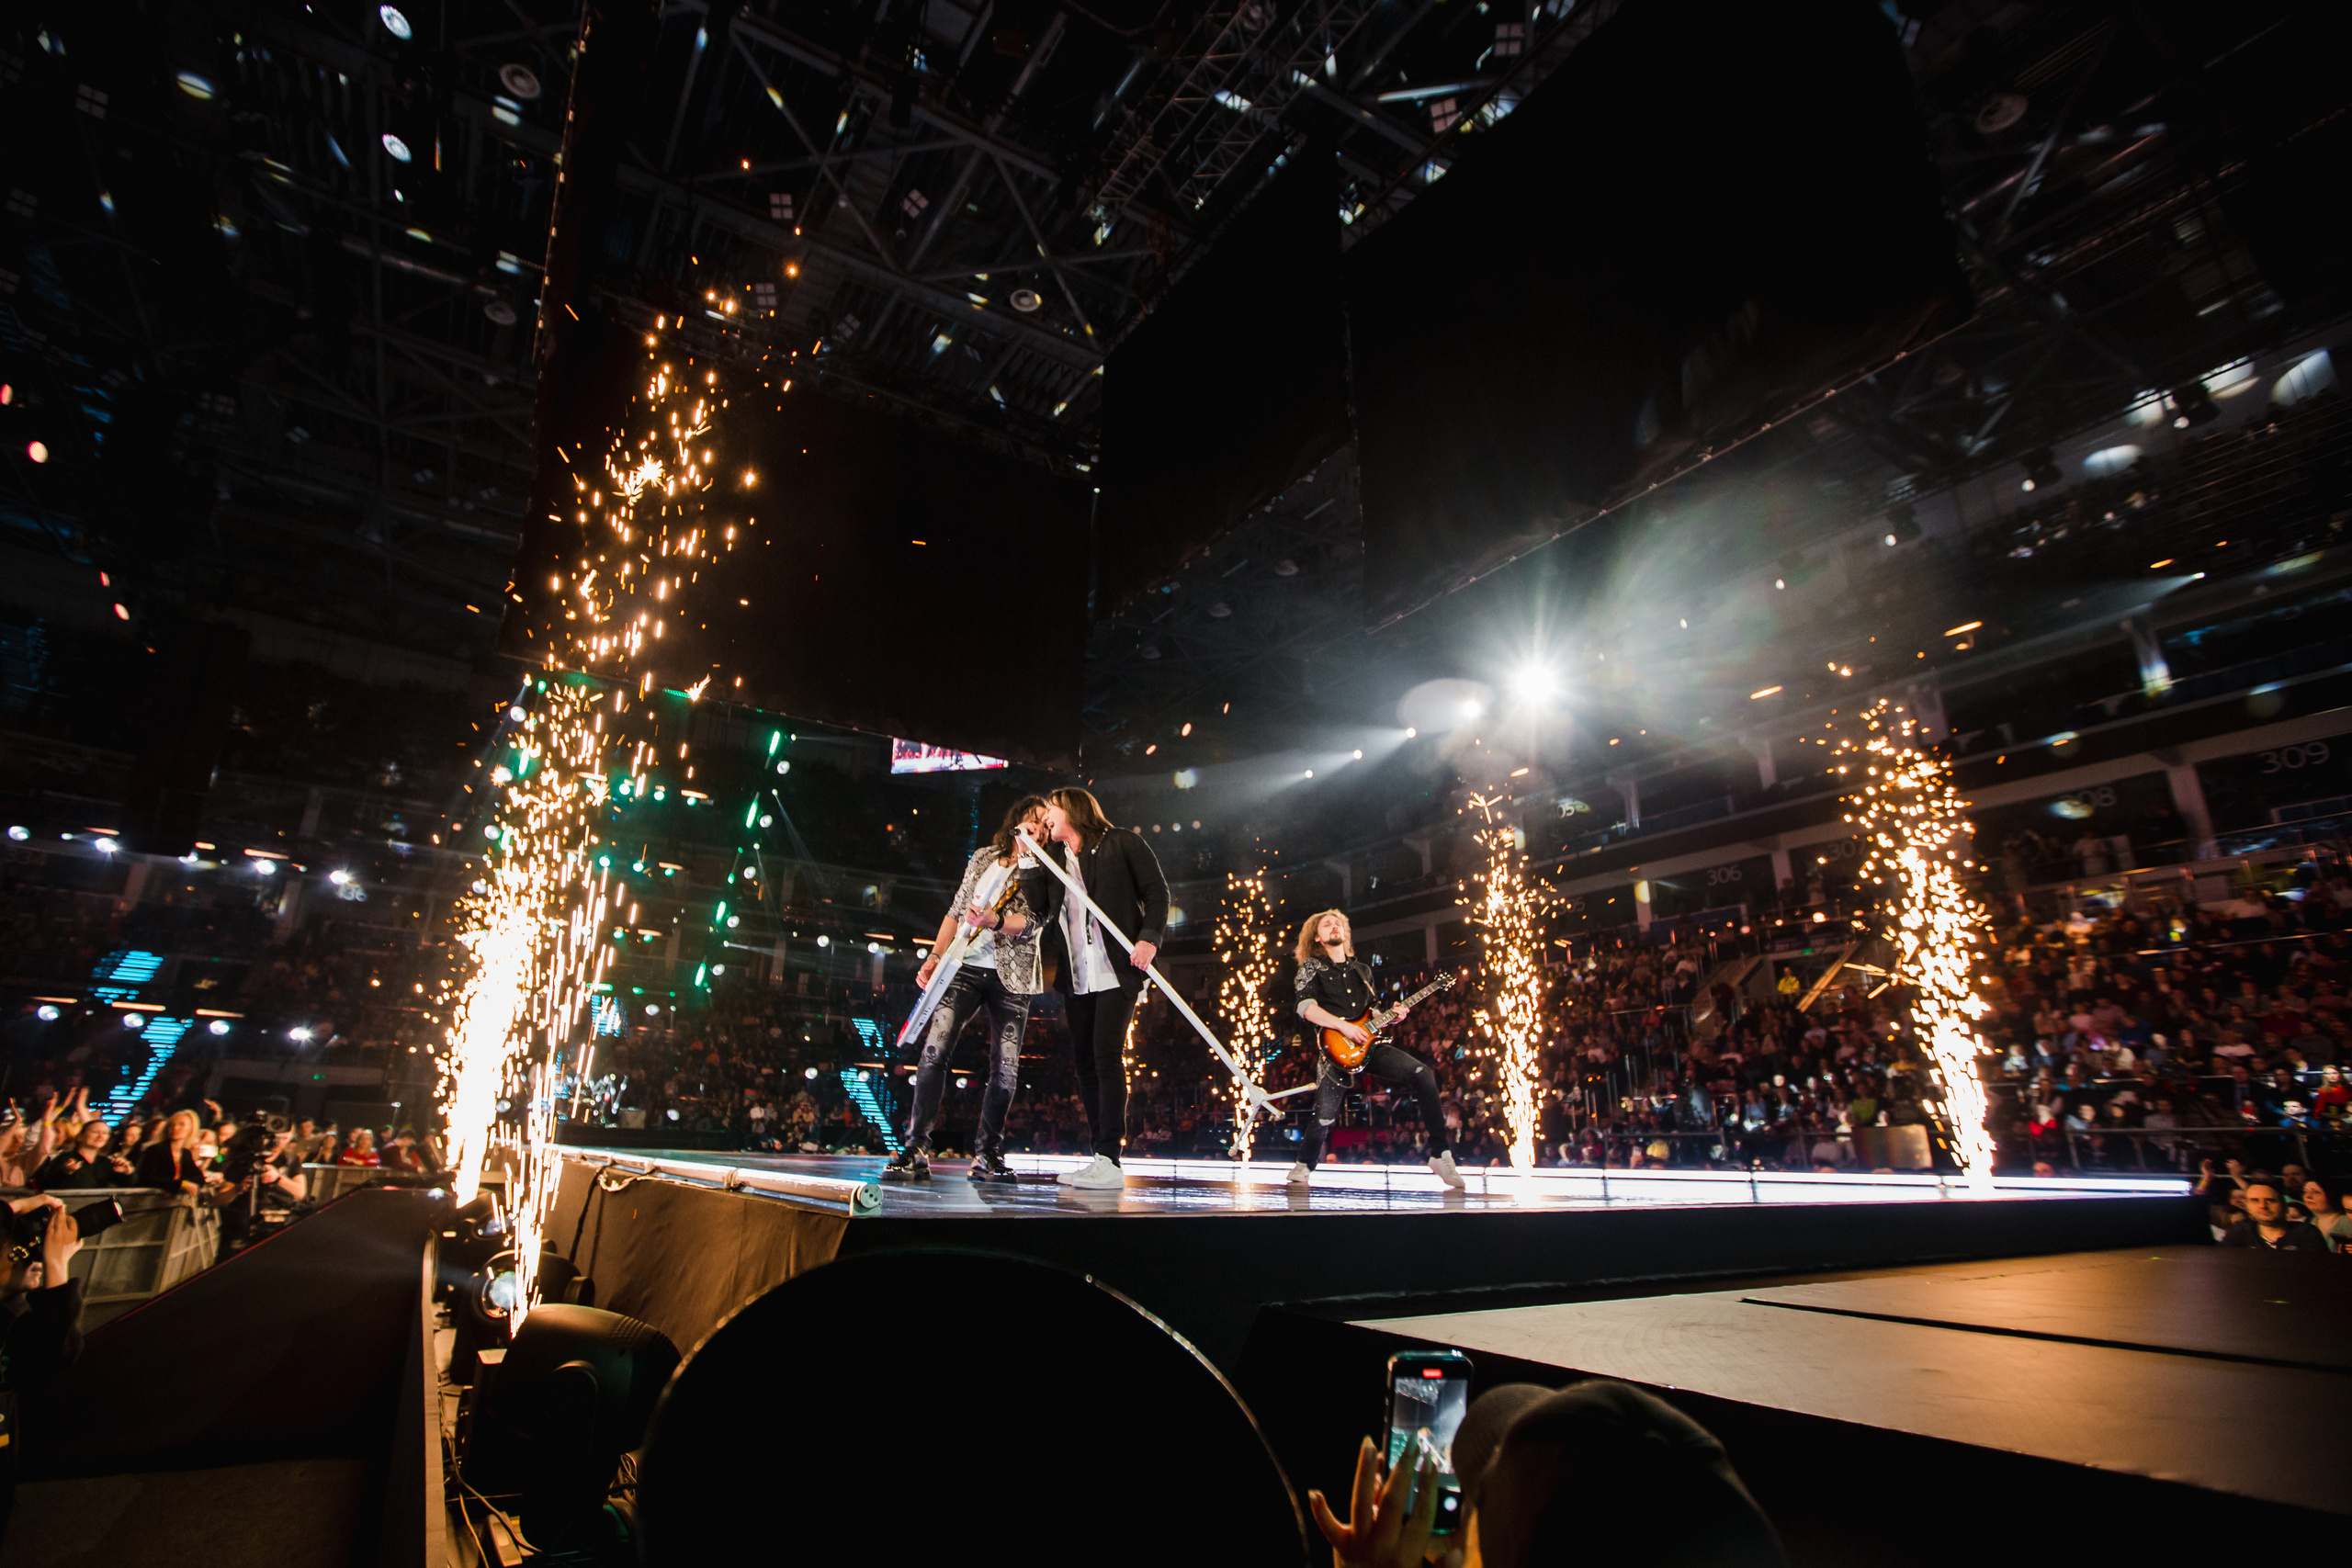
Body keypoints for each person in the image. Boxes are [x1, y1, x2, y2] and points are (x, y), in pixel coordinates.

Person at [885, 796, 1056, 1184]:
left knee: (1005, 1069)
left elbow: (1033, 922)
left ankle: (988, 1153)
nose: (1040, 830)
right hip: (963, 967)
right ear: (1018, 821)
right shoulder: (983, 857)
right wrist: (934, 956)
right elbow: (956, 909)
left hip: (1013, 977)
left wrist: (995, 919)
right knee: (934, 1051)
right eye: (1035, 821)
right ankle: (915, 1149)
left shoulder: (1047, 869)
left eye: (1047, 826)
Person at [1039, 786, 1168, 1190]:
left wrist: (1149, 938)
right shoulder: (1053, 859)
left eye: (1051, 810)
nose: (1045, 817)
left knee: (1105, 1055)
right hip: (1077, 976)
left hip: (1116, 970)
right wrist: (1029, 857)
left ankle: (1111, 1157)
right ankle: (1100, 1156)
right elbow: (1038, 906)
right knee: (1085, 1065)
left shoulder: (1121, 842)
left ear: (1072, 811)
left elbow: (1158, 892)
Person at [1289, 909, 1463, 1190]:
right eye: (1327, 925)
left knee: (1423, 1073)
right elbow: (1305, 1008)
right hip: (1335, 1048)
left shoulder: (1363, 971)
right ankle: (1304, 1164)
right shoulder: (1311, 967)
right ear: (1318, 938)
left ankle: (1440, 1153)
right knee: (1324, 1117)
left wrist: (1393, 1014)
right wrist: (1344, 1028)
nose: (1334, 926)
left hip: (1370, 1045)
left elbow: (1372, 1014)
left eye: (1338, 923)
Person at [2219, 1179, 2330, 1250]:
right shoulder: (2240, 1231)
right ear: (2248, 1207)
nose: (2263, 1206)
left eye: (2271, 1200)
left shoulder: (2305, 1232)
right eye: (2255, 1200)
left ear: (2284, 1204)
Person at [34, 1117, 134, 1190]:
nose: (100, 1136)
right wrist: (66, 1173)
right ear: (80, 1137)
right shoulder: (64, 1159)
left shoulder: (105, 1163)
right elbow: (48, 1185)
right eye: (95, 1132)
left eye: (105, 1133)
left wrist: (128, 1174)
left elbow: (129, 1186)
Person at [135, 1110, 208, 1196]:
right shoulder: (155, 1149)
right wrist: (179, 1184)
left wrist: (183, 1184)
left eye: (181, 1124)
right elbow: (146, 1178)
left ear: (191, 1128)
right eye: (172, 1125)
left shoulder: (185, 1153)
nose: (175, 1128)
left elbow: (199, 1179)